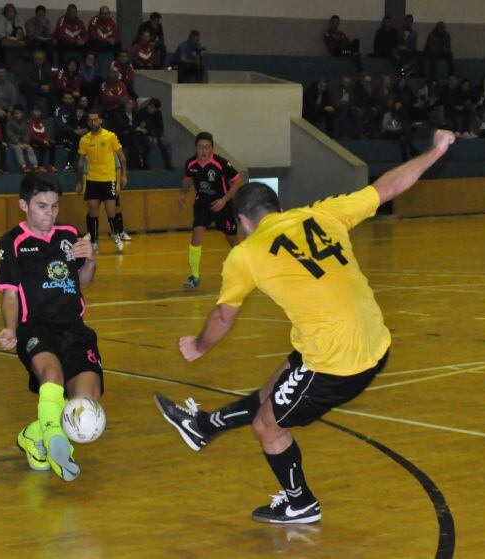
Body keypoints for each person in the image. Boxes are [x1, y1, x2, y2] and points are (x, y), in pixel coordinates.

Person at [154, 129, 457, 524]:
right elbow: (387, 187)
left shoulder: (246, 253)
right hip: (373, 339)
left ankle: (300, 502)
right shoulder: (321, 214)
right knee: (273, 387)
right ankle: (205, 427)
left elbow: (223, 317)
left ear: (244, 221)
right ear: (279, 207)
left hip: (336, 361)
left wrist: (199, 346)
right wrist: (434, 150)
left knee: (268, 426)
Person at [0, 172, 101, 481]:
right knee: (51, 375)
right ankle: (59, 446)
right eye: (42, 206)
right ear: (23, 205)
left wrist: (91, 261)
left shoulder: (69, 234)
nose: (49, 214)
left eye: (54, 206)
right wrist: (12, 329)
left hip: (74, 328)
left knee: (85, 407)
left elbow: (83, 281)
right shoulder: (13, 241)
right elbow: (10, 294)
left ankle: (33, 435)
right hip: (35, 329)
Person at [178, 132, 242, 288]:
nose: (203, 150)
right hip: (202, 205)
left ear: (212, 148)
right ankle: (194, 276)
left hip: (222, 206)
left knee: (233, 240)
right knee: (196, 237)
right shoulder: (190, 164)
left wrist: (224, 199)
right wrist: (183, 194)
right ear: (196, 148)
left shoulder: (221, 163)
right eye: (200, 147)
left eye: (207, 147)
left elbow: (238, 180)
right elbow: (187, 180)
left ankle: (244, 268)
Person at [75, 109, 127, 253]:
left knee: (111, 212)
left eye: (96, 119)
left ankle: (116, 236)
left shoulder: (110, 136)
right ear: (88, 122)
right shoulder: (85, 140)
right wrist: (79, 182)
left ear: (100, 120)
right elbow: (80, 162)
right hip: (92, 180)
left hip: (108, 180)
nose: (93, 122)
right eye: (90, 120)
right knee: (93, 212)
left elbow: (122, 157)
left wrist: (123, 175)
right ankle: (94, 241)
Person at [110, 96, 146, 170]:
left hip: (131, 135)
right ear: (124, 105)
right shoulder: (118, 113)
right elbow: (123, 125)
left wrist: (140, 126)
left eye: (132, 104)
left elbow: (136, 123)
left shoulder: (134, 113)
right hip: (120, 135)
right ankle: (137, 162)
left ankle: (137, 162)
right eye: (129, 104)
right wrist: (137, 128)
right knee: (136, 138)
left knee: (140, 139)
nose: (131, 106)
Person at [137, 97, 172, 170]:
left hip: (155, 134)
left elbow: (160, 127)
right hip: (145, 133)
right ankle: (144, 164)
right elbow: (142, 126)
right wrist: (151, 135)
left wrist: (155, 136)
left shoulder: (158, 113)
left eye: (154, 108)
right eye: (151, 107)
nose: (151, 109)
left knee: (163, 143)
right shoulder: (142, 112)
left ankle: (168, 163)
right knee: (146, 143)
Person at [6, 104, 39, 172]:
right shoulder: (10, 122)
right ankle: (23, 166)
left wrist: (26, 143)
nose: (17, 115)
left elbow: (28, 133)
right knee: (18, 149)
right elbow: (10, 134)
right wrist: (18, 142)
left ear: (22, 113)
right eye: (16, 113)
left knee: (29, 148)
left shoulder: (25, 122)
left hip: (23, 142)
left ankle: (35, 166)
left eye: (19, 113)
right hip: (13, 143)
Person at [53, 91, 81, 171]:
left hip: (73, 134)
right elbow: (59, 123)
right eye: (65, 98)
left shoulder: (76, 110)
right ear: (62, 99)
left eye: (69, 98)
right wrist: (73, 130)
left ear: (72, 99)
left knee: (77, 142)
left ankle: (70, 165)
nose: (67, 100)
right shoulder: (58, 109)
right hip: (61, 134)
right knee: (67, 131)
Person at [333, 75, 363, 140]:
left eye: (348, 83)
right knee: (344, 113)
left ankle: (359, 133)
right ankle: (343, 133)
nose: (347, 84)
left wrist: (346, 103)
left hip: (349, 107)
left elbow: (353, 101)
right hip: (340, 109)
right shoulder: (337, 90)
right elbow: (338, 103)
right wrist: (346, 103)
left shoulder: (350, 90)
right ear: (342, 83)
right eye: (346, 82)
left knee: (358, 111)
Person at [29, 103, 56, 172]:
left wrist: (47, 139)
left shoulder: (42, 122)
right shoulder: (30, 122)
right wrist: (43, 141)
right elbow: (32, 135)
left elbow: (45, 133)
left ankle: (51, 165)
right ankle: (40, 166)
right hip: (33, 140)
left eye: (39, 111)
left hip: (42, 140)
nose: (38, 113)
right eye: (36, 111)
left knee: (52, 144)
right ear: (32, 112)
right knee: (43, 145)